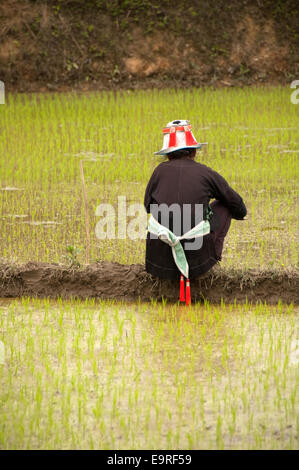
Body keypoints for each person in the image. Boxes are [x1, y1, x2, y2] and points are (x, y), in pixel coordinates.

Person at [144, 120, 247, 302]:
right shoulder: (205, 173)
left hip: (158, 262)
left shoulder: (158, 172)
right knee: (223, 205)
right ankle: (211, 259)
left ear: (167, 155)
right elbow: (239, 208)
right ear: (193, 151)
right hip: (198, 261)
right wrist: (204, 209)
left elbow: (147, 206)